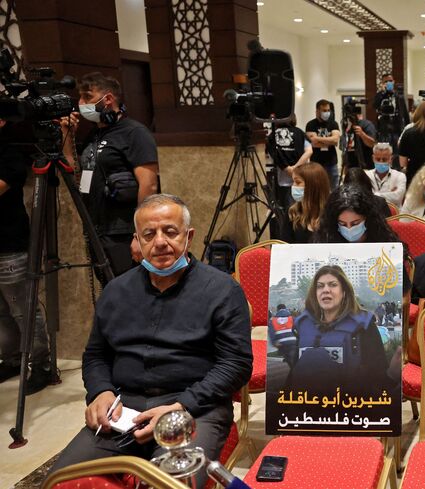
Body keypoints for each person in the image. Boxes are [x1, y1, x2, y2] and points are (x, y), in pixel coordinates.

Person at [48, 194, 253, 488]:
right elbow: (96, 355)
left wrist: (181, 406)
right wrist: (100, 392)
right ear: (137, 241)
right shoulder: (116, 291)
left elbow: (236, 365)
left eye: (170, 231)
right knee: (60, 481)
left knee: (171, 485)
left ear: (188, 236)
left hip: (193, 408)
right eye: (149, 234)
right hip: (122, 411)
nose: (159, 242)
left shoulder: (222, 291)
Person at [61, 72, 159, 283]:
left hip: (124, 233)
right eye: (80, 98)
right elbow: (77, 174)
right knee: (111, 293)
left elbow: (149, 186)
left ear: (107, 99)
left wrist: (141, 235)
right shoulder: (93, 135)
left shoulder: (134, 133)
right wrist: (67, 136)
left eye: (87, 97)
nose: (81, 104)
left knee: (131, 294)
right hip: (98, 229)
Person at [0, 119, 52, 393]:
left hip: (10, 245)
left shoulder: (9, 154)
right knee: (1, 313)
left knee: (24, 310)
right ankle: (9, 360)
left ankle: (41, 365)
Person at [288, 265, 388, 390]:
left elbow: (379, 376)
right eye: (320, 286)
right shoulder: (303, 326)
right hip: (306, 404)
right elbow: (293, 375)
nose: (325, 290)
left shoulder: (364, 325)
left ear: (344, 291)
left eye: (332, 285)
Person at [314, 185, 404, 245]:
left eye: (355, 223)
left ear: (367, 219)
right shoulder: (327, 240)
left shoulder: (383, 240)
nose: (349, 229)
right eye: (342, 224)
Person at [266, 114, 313, 210]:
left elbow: (273, 154)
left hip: (283, 179)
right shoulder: (299, 132)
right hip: (301, 177)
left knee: (286, 210)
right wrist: (296, 167)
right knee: (302, 208)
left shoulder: (273, 135)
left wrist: (287, 168)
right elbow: (309, 151)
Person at [282, 163, 331, 243]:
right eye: (293, 182)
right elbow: (285, 248)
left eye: (298, 182)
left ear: (313, 186)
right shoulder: (292, 213)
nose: (293, 186)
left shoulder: (333, 214)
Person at [305, 99, 341, 188]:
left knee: (334, 189)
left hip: (331, 162)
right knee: (317, 188)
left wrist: (317, 138)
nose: (327, 113)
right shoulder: (310, 124)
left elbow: (335, 140)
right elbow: (313, 143)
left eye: (328, 110)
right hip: (316, 162)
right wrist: (329, 140)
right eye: (324, 110)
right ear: (317, 111)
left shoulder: (333, 124)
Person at [365, 142, 406, 207]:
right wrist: (390, 194)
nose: (381, 162)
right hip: (372, 214)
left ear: (391, 159)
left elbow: (398, 198)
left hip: (394, 215)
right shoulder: (366, 175)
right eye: (378, 159)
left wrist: (374, 195)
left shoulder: (400, 176)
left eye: (384, 160)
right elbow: (364, 198)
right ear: (373, 158)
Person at [340, 106, 377, 172]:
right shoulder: (347, 127)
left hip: (366, 165)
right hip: (350, 166)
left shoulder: (366, 124)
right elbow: (343, 148)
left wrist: (362, 134)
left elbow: (371, 143)